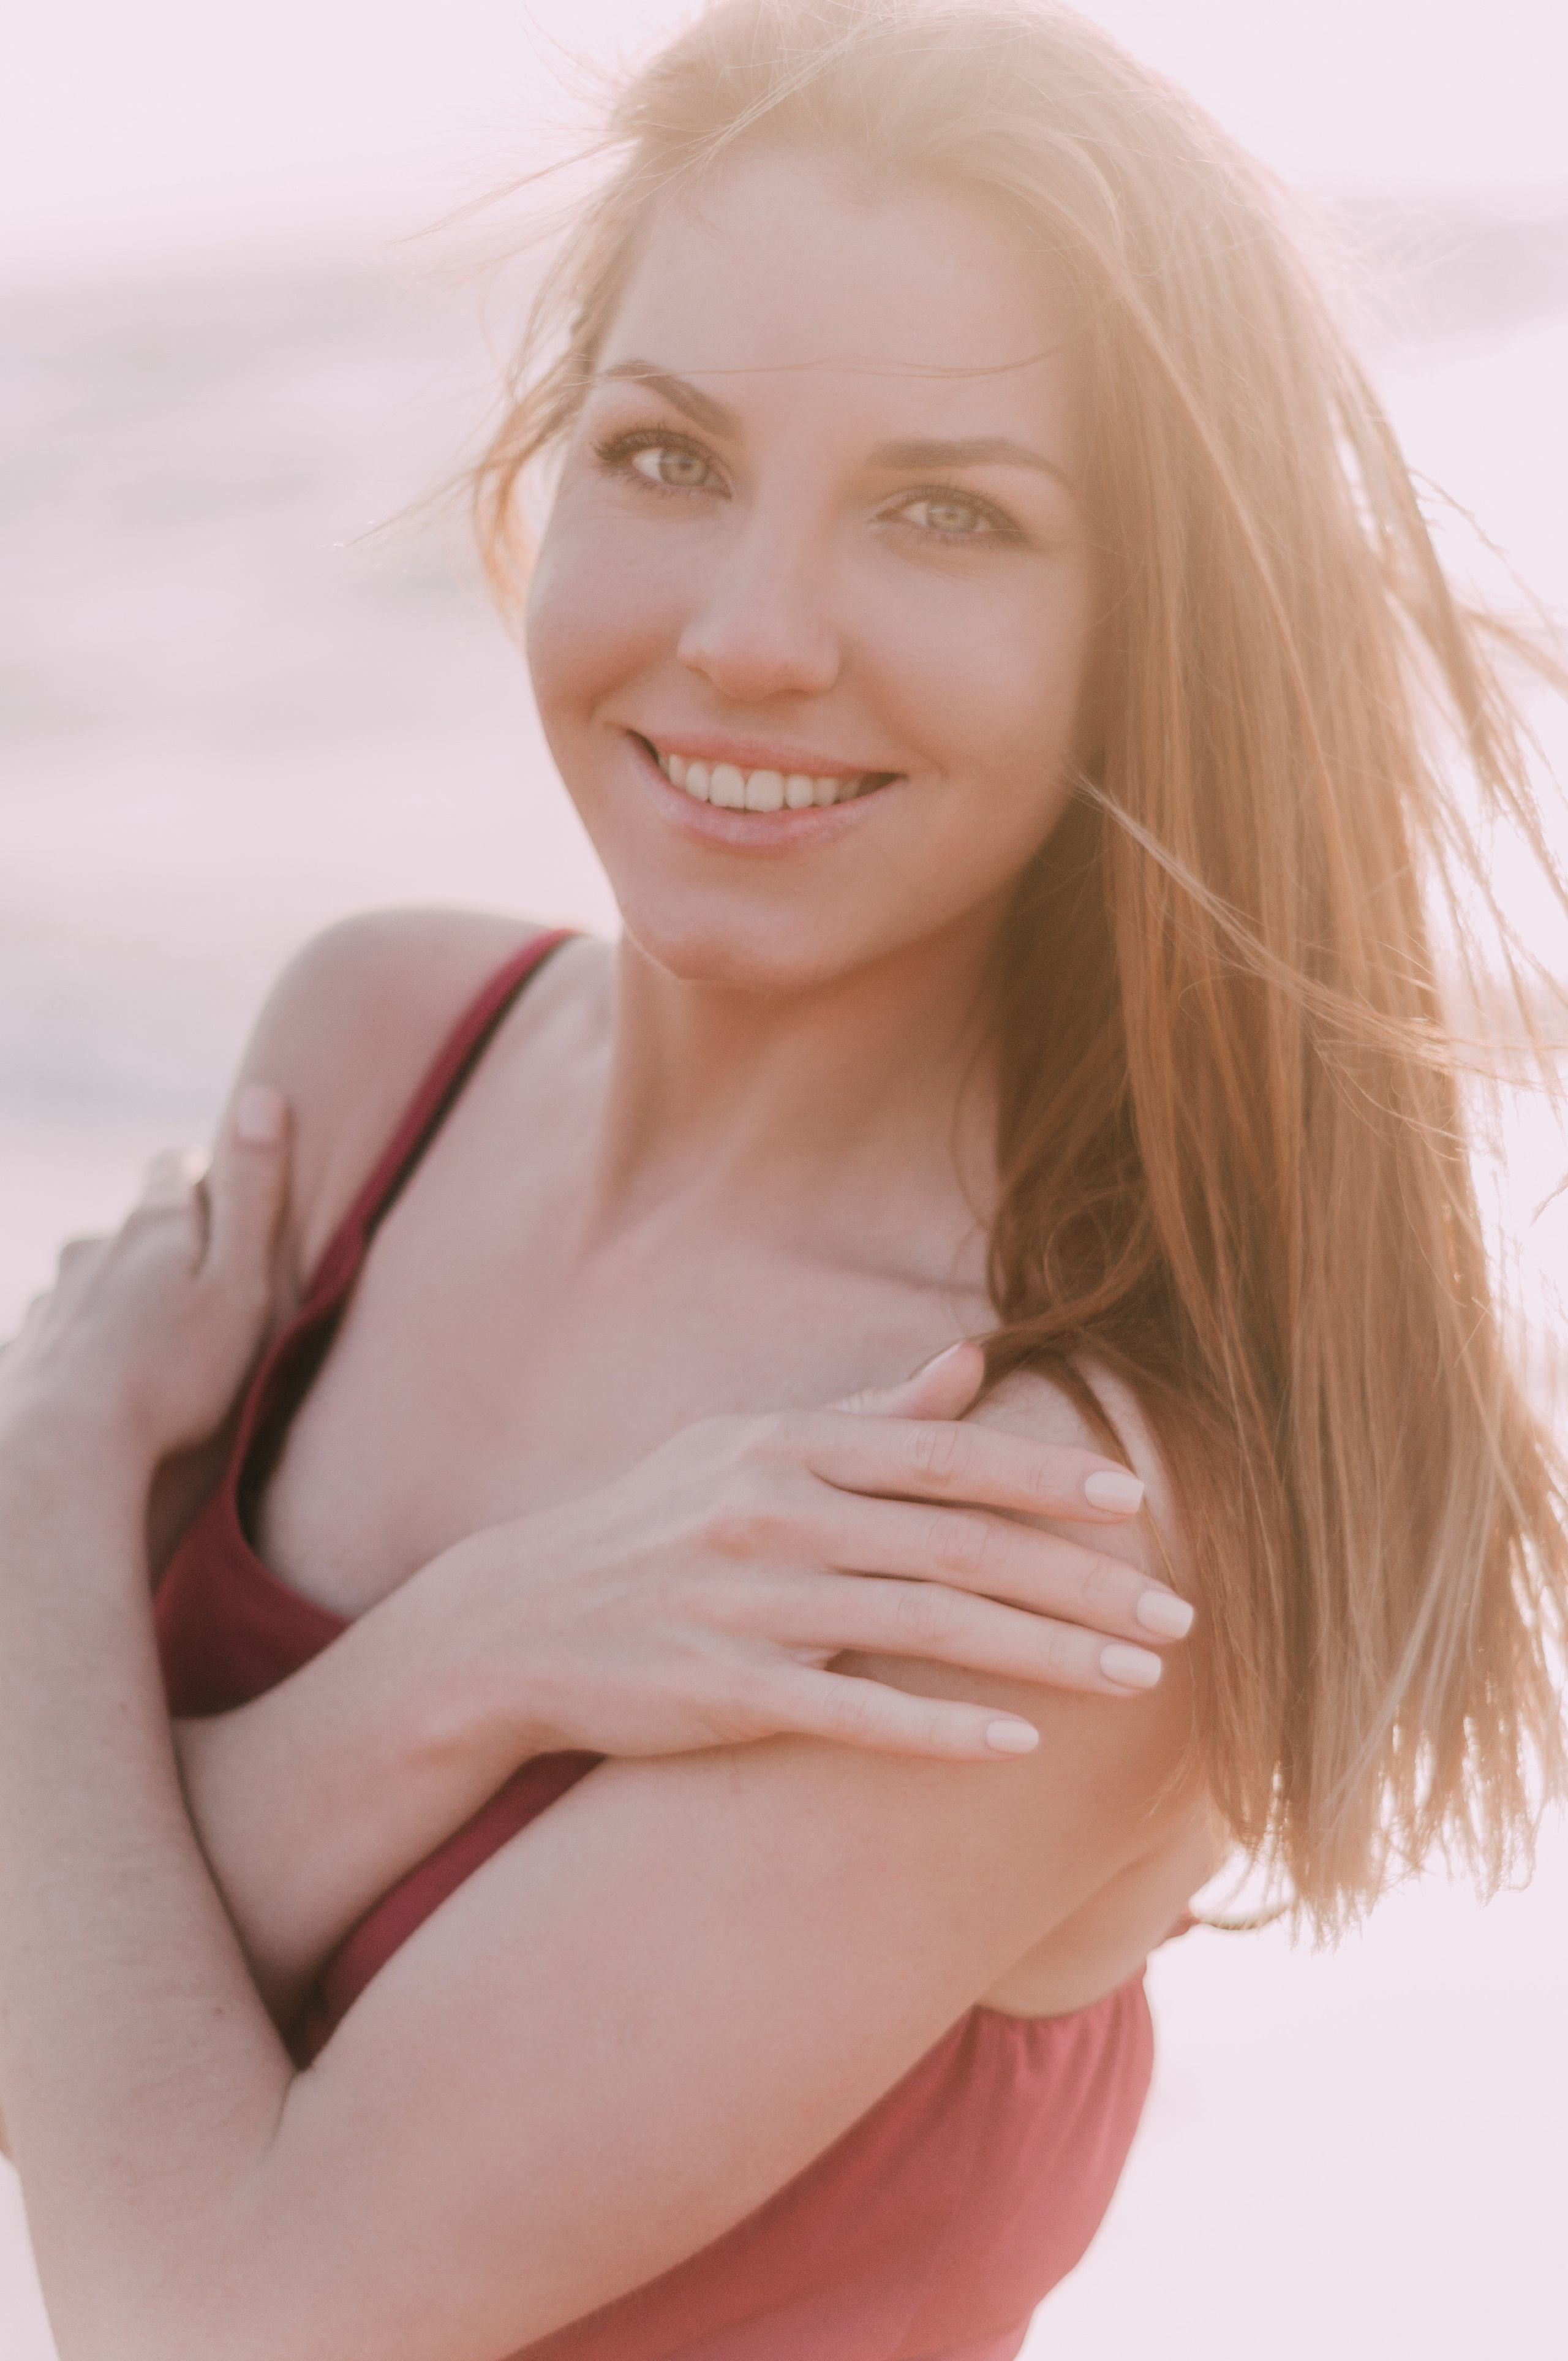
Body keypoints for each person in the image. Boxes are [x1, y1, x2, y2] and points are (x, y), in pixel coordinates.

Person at [1, 2, 1564, 2356]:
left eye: (952, 512)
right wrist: (459, 1668)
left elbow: (210, 2309)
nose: (750, 635)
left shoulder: (1041, 1498)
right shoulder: (373, 1050)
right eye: (666, 454)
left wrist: (33, 1496)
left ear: (1150, 630)